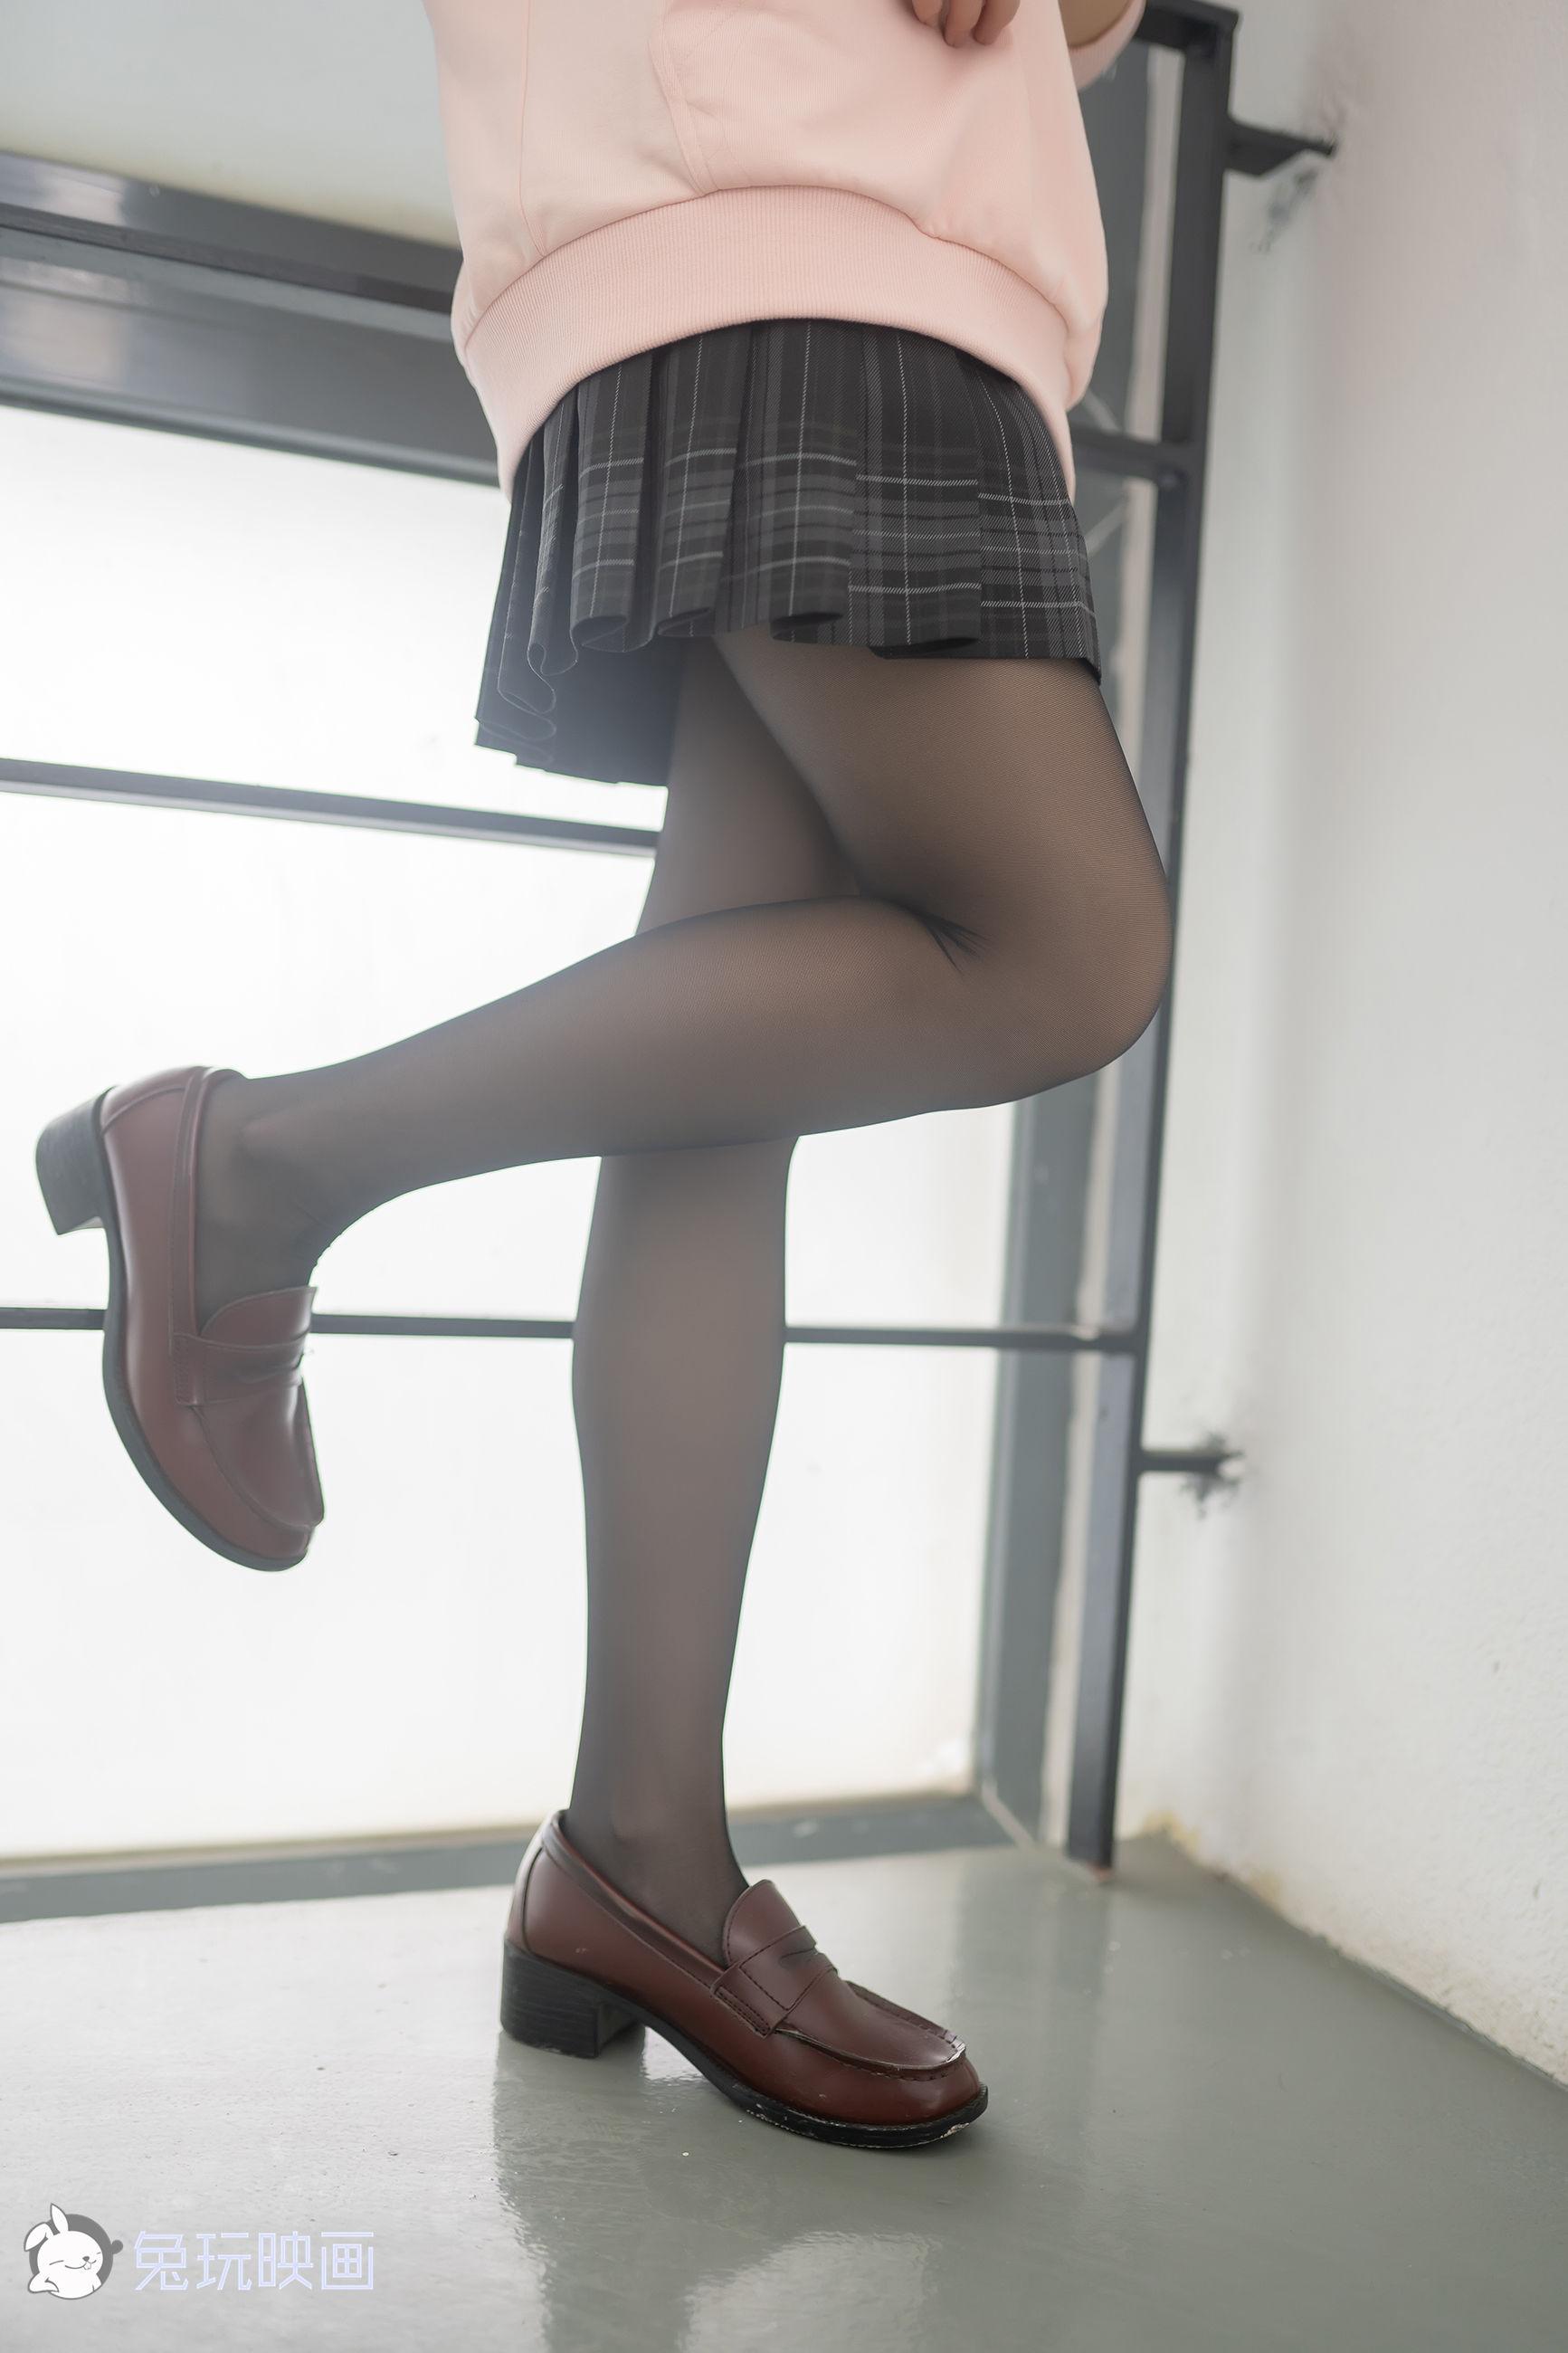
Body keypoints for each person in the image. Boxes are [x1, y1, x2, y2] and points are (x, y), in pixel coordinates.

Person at [35, 0, 1167, 2150]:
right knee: (1068, 946)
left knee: (713, 1092)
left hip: (832, 215)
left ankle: (636, 1850)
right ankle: (261, 1162)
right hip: (793, 203)